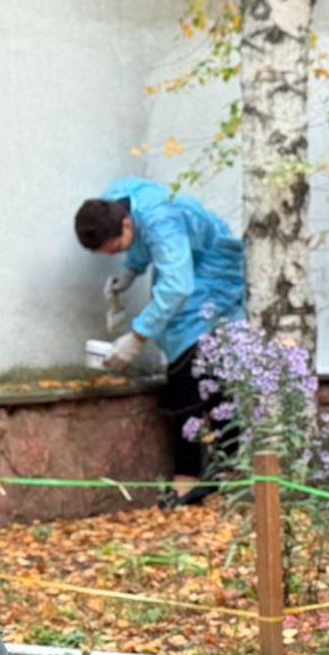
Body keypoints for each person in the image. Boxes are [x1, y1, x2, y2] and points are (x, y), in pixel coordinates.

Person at [74, 178, 246, 507]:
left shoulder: (161, 221)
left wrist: (136, 338)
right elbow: (142, 242)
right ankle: (224, 472)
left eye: (118, 248)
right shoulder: (114, 201)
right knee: (202, 369)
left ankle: (194, 480)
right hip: (187, 263)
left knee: (188, 360)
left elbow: (177, 287)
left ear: (125, 223)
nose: (119, 254)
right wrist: (131, 271)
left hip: (215, 268)